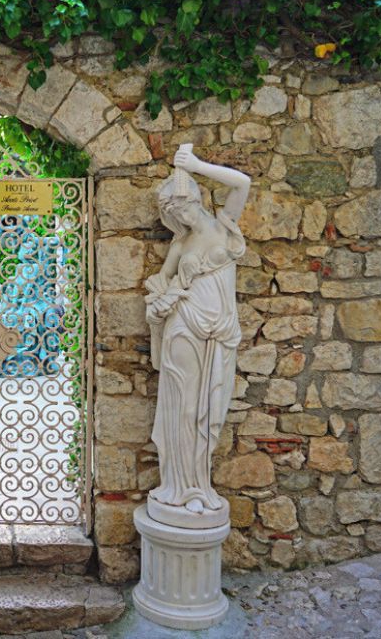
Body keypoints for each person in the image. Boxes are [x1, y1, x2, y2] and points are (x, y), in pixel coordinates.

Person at [144, 145, 250, 520]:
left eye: (183, 206)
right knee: (184, 408)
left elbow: (243, 183)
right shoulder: (181, 242)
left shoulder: (225, 226)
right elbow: (161, 282)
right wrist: (158, 305)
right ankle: (179, 486)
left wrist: (197, 166)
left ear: (195, 198)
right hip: (184, 327)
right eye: (173, 212)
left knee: (211, 412)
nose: (180, 216)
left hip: (220, 332)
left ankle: (200, 486)